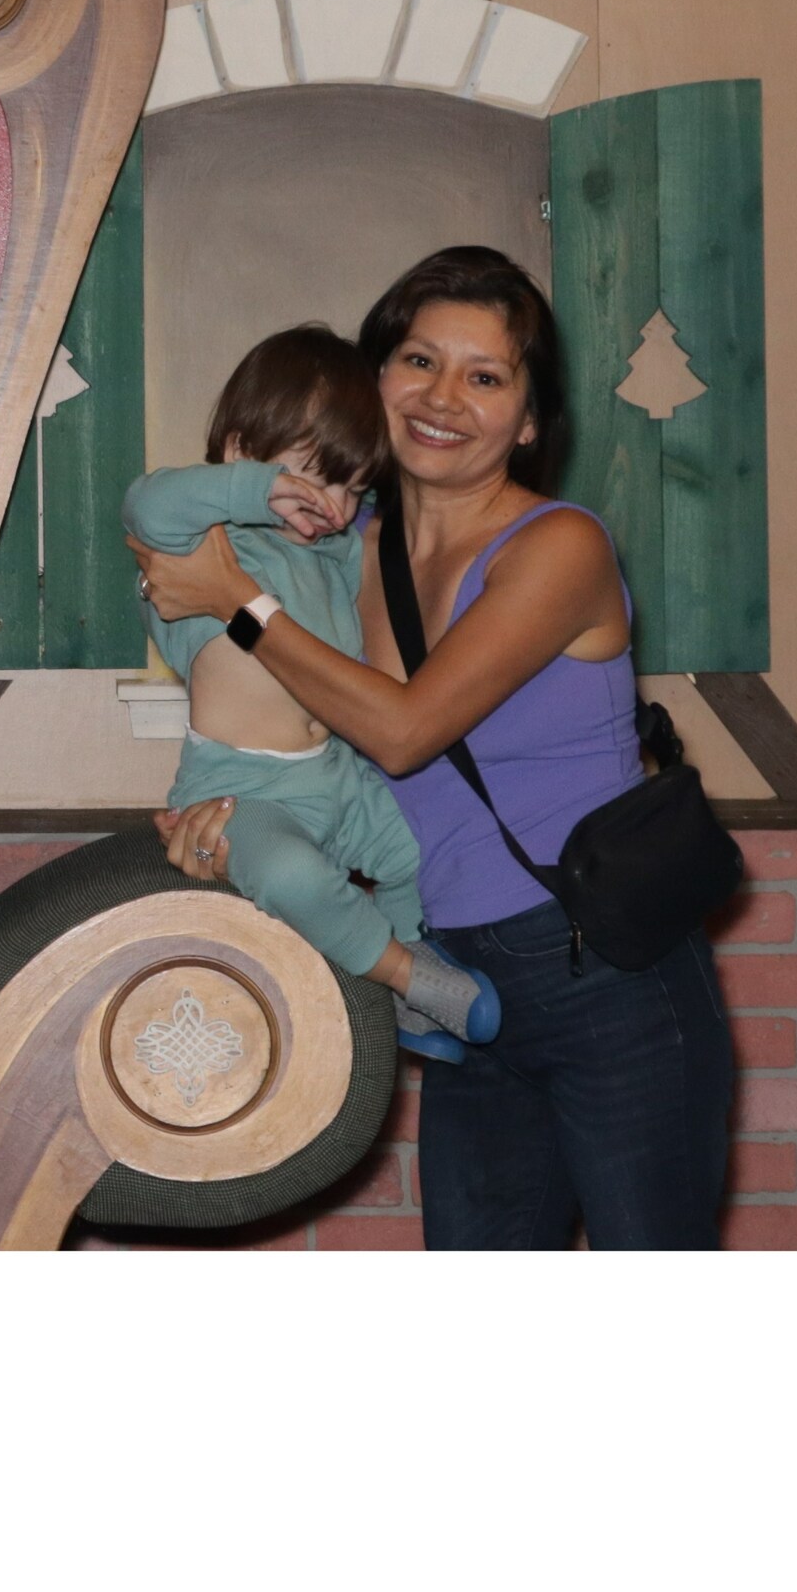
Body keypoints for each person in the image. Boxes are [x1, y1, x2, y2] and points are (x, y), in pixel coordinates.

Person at [140, 245, 733, 1249]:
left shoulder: (558, 546)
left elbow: (404, 731)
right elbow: (290, 727)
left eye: (485, 376)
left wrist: (237, 599)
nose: (443, 398)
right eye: (418, 361)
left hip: (605, 975)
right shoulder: (339, 546)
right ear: (375, 381)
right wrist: (217, 817)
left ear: (529, 420)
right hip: (458, 987)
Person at [122, 326, 501, 1057]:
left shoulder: (331, 552)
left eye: (353, 488)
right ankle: (406, 975)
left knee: (422, 843)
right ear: (241, 452)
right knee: (289, 874)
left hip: (340, 777)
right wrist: (255, 492)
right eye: (316, 479)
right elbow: (146, 503)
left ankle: (416, 982)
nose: (334, 506)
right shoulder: (210, 545)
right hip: (243, 792)